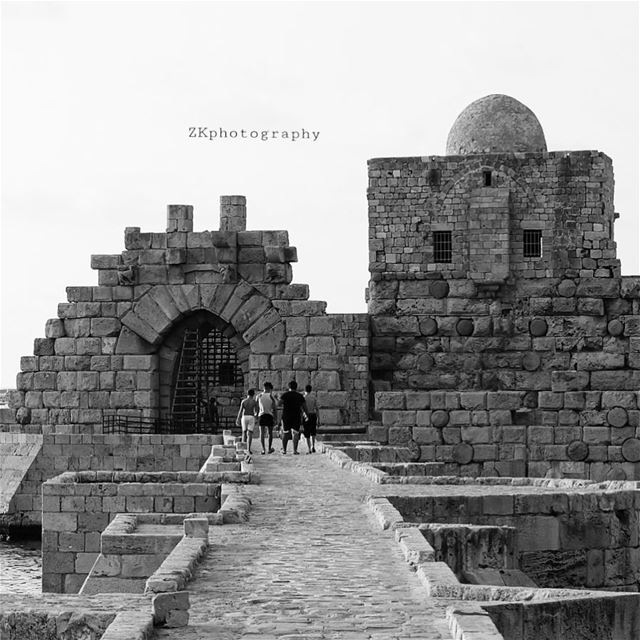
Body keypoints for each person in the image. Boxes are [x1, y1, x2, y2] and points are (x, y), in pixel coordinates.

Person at [278, 380, 307, 455]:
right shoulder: (300, 396)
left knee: (286, 433)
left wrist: (278, 398)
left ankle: (284, 450)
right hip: (296, 416)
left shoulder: (285, 395)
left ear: (289, 387)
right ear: (296, 387)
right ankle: (295, 450)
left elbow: (279, 404)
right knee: (296, 433)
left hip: (286, 416)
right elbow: (304, 407)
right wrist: (306, 414)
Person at [257, 381, 278, 455]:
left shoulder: (259, 396)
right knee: (270, 433)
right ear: (269, 388)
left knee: (261, 433)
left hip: (261, 415)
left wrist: (256, 416)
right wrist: (276, 418)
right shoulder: (271, 396)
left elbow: (257, 408)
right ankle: (269, 448)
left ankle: (263, 449)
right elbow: (274, 408)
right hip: (269, 415)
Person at [236, 389, 258, 454]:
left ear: (247, 394)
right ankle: (248, 449)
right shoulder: (254, 402)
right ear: (253, 394)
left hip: (244, 417)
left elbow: (240, 411)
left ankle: (243, 448)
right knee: (250, 433)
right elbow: (256, 411)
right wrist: (256, 418)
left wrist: (238, 418)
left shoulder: (243, 401)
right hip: (251, 416)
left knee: (244, 432)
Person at [302, 384, 319, 453]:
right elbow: (317, 409)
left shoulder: (303, 397)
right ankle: (313, 446)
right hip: (313, 415)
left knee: (307, 432)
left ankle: (309, 448)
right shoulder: (314, 397)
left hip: (306, 415)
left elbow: (302, 408)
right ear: (311, 390)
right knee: (313, 432)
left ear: (305, 390)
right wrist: (319, 418)